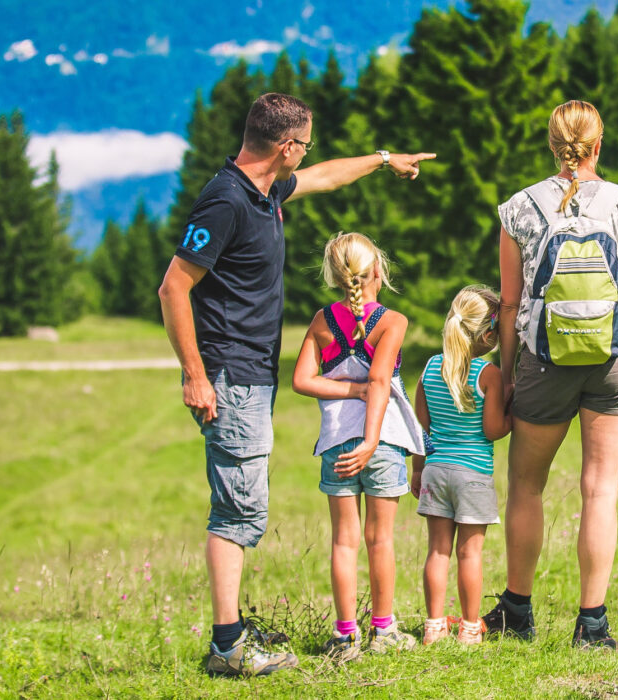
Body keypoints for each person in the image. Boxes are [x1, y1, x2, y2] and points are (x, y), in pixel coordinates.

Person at [157, 93, 435, 677]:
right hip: (228, 377)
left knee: (246, 507)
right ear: (285, 145)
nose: (306, 155)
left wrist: (385, 159)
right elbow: (173, 288)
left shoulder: (265, 191)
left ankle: (233, 632)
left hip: (252, 377)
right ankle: (229, 645)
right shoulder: (226, 201)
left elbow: (327, 178)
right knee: (237, 512)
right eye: (303, 145)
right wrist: (196, 375)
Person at [483, 100, 618, 648]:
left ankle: (517, 613)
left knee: (526, 484)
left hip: (544, 362)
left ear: (552, 146)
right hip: (615, 360)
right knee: (600, 491)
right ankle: (592, 625)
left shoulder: (519, 209)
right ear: (599, 146)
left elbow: (508, 302)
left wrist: (507, 371)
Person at [292, 232, 425, 661]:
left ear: (334, 276)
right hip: (381, 442)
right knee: (380, 539)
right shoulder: (392, 321)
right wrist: (370, 438)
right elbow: (381, 381)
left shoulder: (321, 321)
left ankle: (344, 635)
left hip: (335, 442)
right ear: (378, 272)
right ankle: (382, 631)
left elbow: (301, 380)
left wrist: (346, 390)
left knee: (343, 542)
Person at [410, 286, 511, 645]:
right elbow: (492, 429)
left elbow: (421, 426)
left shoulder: (430, 366)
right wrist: (513, 414)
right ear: (488, 335)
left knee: (437, 550)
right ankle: (469, 628)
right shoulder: (489, 375)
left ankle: (434, 626)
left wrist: (418, 470)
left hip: (436, 470)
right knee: (469, 553)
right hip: (472, 475)